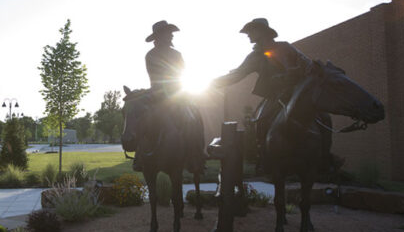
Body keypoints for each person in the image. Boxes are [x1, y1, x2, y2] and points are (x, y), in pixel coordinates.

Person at [212, 18, 312, 171]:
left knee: (322, 117)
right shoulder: (254, 57)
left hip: (295, 93)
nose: (248, 36)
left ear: (260, 32)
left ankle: (326, 158)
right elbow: (236, 75)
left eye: (250, 31)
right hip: (275, 97)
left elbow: (306, 63)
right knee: (261, 121)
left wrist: (296, 72)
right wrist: (211, 83)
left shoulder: (285, 47)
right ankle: (264, 156)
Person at [132, 20, 205, 172]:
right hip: (158, 94)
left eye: (171, 33)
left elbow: (182, 73)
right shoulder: (151, 55)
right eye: (169, 33)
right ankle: (139, 156)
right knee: (139, 116)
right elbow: (156, 76)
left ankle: (195, 157)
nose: (172, 36)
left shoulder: (177, 54)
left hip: (177, 95)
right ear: (160, 36)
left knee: (193, 118)